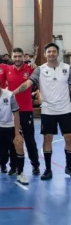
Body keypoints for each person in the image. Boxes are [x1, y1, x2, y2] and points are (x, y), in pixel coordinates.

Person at [14, 42, 71, 180]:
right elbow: (28, 83)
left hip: (65, 109)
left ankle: (69, 166)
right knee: (47, 138)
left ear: (58, 53)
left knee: (69, 138)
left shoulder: (67, 68)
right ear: (45, 54)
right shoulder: (40, 69)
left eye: (54, 51)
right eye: (49, 52)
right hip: (48, 110)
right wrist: (13, 93)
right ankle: (48, 169)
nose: (51, 54)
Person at [6, 48, 40, 175]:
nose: (17, 59)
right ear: (11, 56)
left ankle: (35, 165)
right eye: (15, 56)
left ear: (23, 57)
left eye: (20, 56)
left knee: (29, 140)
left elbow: (40, 72)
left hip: (26, 110)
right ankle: (13, 166)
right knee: (13, 140)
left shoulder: (31, 68)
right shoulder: (7, 69)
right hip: (11, 111)